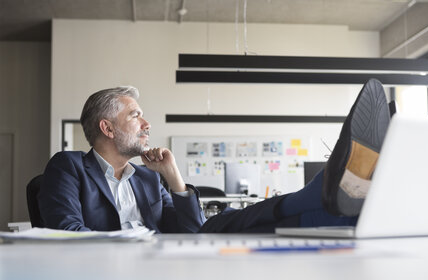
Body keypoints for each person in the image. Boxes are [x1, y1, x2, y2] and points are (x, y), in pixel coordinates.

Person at [39, 79, 390, 233]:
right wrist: (137, 240)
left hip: (166, 259)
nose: (147, 124)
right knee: (230, 226)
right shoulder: (68, 166)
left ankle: (329, 211)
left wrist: (173, 178)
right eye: (135, 116)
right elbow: (67, 233)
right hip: (128, 266)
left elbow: (194, 230)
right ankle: (323, 194)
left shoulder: (147, 177)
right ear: (108, 128)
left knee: (237, 223)